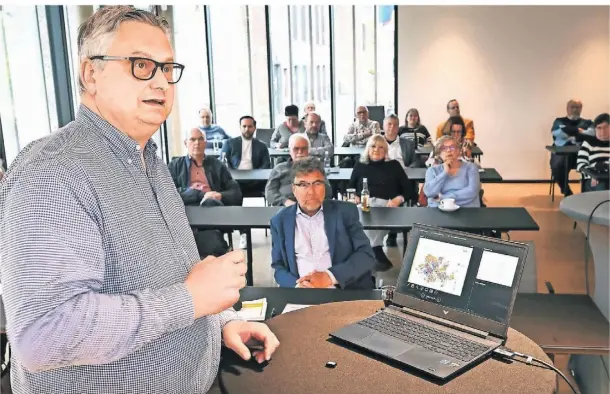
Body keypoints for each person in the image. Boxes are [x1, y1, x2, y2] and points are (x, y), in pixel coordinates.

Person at [0, 7, 279, 393]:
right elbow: (43, 335)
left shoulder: (149, 160)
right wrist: (192, 300)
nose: (162, 82)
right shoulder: (52, 173)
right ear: (90, 74)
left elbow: (174, 271)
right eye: (141, 65)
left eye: (167, 68)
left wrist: (221, 321)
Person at [270, 157, 375, 289]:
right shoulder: (279, 221)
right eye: (303, 184)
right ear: (294, 189)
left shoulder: (345, 212)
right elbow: (278, 267)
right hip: (301, 293)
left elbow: (366, 255)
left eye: (317, 183)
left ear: (325, 186)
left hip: (342, 291)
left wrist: (329, 276)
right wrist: (297, 286)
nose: (311, 192)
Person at [348, 134, 417, 272]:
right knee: (363, 223)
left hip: (387, 206)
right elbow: (350, 186)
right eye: (373, 146)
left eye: (381, 147)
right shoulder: (360, 165)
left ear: (386, 150)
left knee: (370, 228)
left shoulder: (394, 166)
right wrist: (354, 196)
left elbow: (409, 191)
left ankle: (373, 255)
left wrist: (399, 199)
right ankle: (377, 253)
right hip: (365, 204)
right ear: (368, 148)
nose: (376, 150)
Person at [168, 128, 242, 208]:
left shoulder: (218, 165)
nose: (197, 143)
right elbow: (167, 193)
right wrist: (200, 194)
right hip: (186, 208)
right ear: (185, 143)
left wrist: (220, 195)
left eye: (200, 139)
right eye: (193, 139)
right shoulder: (175, 166)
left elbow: (236, 192)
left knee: (211, 203)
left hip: (213, 207)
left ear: (205, 143)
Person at [265, 133, 332, 206]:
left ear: (308, 150)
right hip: (285, 206)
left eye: (303, 148)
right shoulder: (279, 169)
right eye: (296, 149)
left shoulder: (316, 168)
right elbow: (269, 191)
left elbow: (328, 192)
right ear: (290, 151)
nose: (300, 152)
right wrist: (285, 201)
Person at [383, 114, 419, 246]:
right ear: (383, 126)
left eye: (395, 124)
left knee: (397, 193)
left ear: (399, 127)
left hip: (402, 178)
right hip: (382, 179)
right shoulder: (377, 143)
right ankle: (384, 232)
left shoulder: (407, 143)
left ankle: (393, 232)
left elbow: (416, 162)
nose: (392, 127)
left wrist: (407, 170)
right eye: (389, 124)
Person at [550, 99, 595, 196]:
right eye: (572, 107)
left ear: (581, 109)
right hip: (562, 153)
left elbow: (592, 133)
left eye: (577, 107)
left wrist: (568, 130)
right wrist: (580, 131)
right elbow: (557, 133)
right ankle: (567, 192)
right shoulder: (559, 121)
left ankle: (587, 194)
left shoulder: (587, 122)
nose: (575, 110)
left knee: (594, 166)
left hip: (581, 154)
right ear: (567, 109)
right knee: (557, 167)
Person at [424, 136, 481, 208]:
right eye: (444, 148)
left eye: (452, 147)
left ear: (458, 151)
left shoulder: (471, 168)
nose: (448, 150)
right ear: (439, 153)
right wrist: (445, 173)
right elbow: (429, 193)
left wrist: (443, 197)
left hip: (466, 211)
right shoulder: (432, 170)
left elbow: (472, 191)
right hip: (439, 211)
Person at [577, 113, 609, 192]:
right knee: (602, 186)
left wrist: (602, 166)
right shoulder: (588, 143)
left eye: (606, 127)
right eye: (599, 128)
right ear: (595, 129)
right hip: (593, 179)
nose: (602, 131)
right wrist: (594, 175)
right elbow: (581, 165)